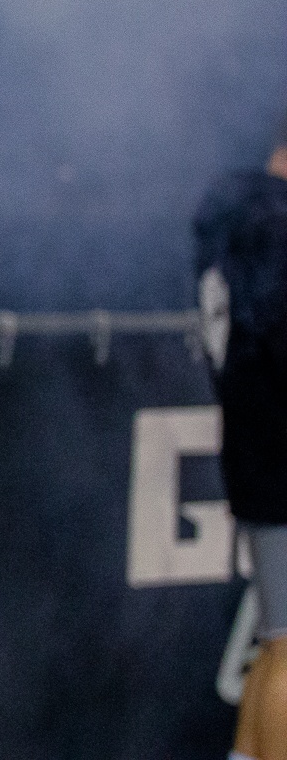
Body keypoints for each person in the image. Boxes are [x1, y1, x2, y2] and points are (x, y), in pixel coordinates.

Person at [195, 112, 287, 760]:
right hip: (280, 458)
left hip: (259, 456)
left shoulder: (239, 223)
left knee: (278, 642)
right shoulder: (273, 230)